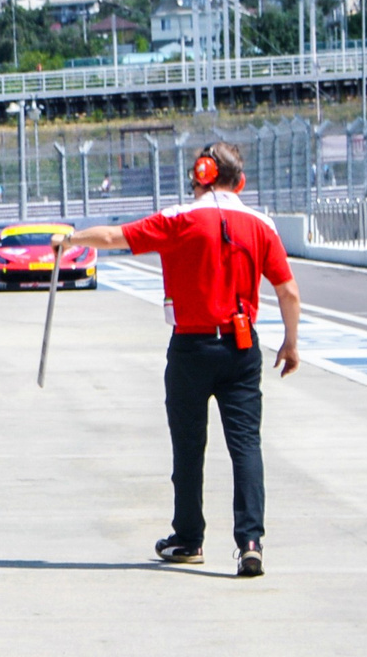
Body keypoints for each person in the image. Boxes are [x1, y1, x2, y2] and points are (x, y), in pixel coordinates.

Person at [59, 141, 299, 577]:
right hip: (243, 349)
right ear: (240, 181)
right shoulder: (262, 224)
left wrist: (70, 239)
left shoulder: (178, 219)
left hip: (191, 347)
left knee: (189, 449)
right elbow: (288, 291)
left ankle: (189, 539)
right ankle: (251, 541)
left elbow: (114, 237)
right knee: (246, 445)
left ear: (201, 175)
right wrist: (291, 343)